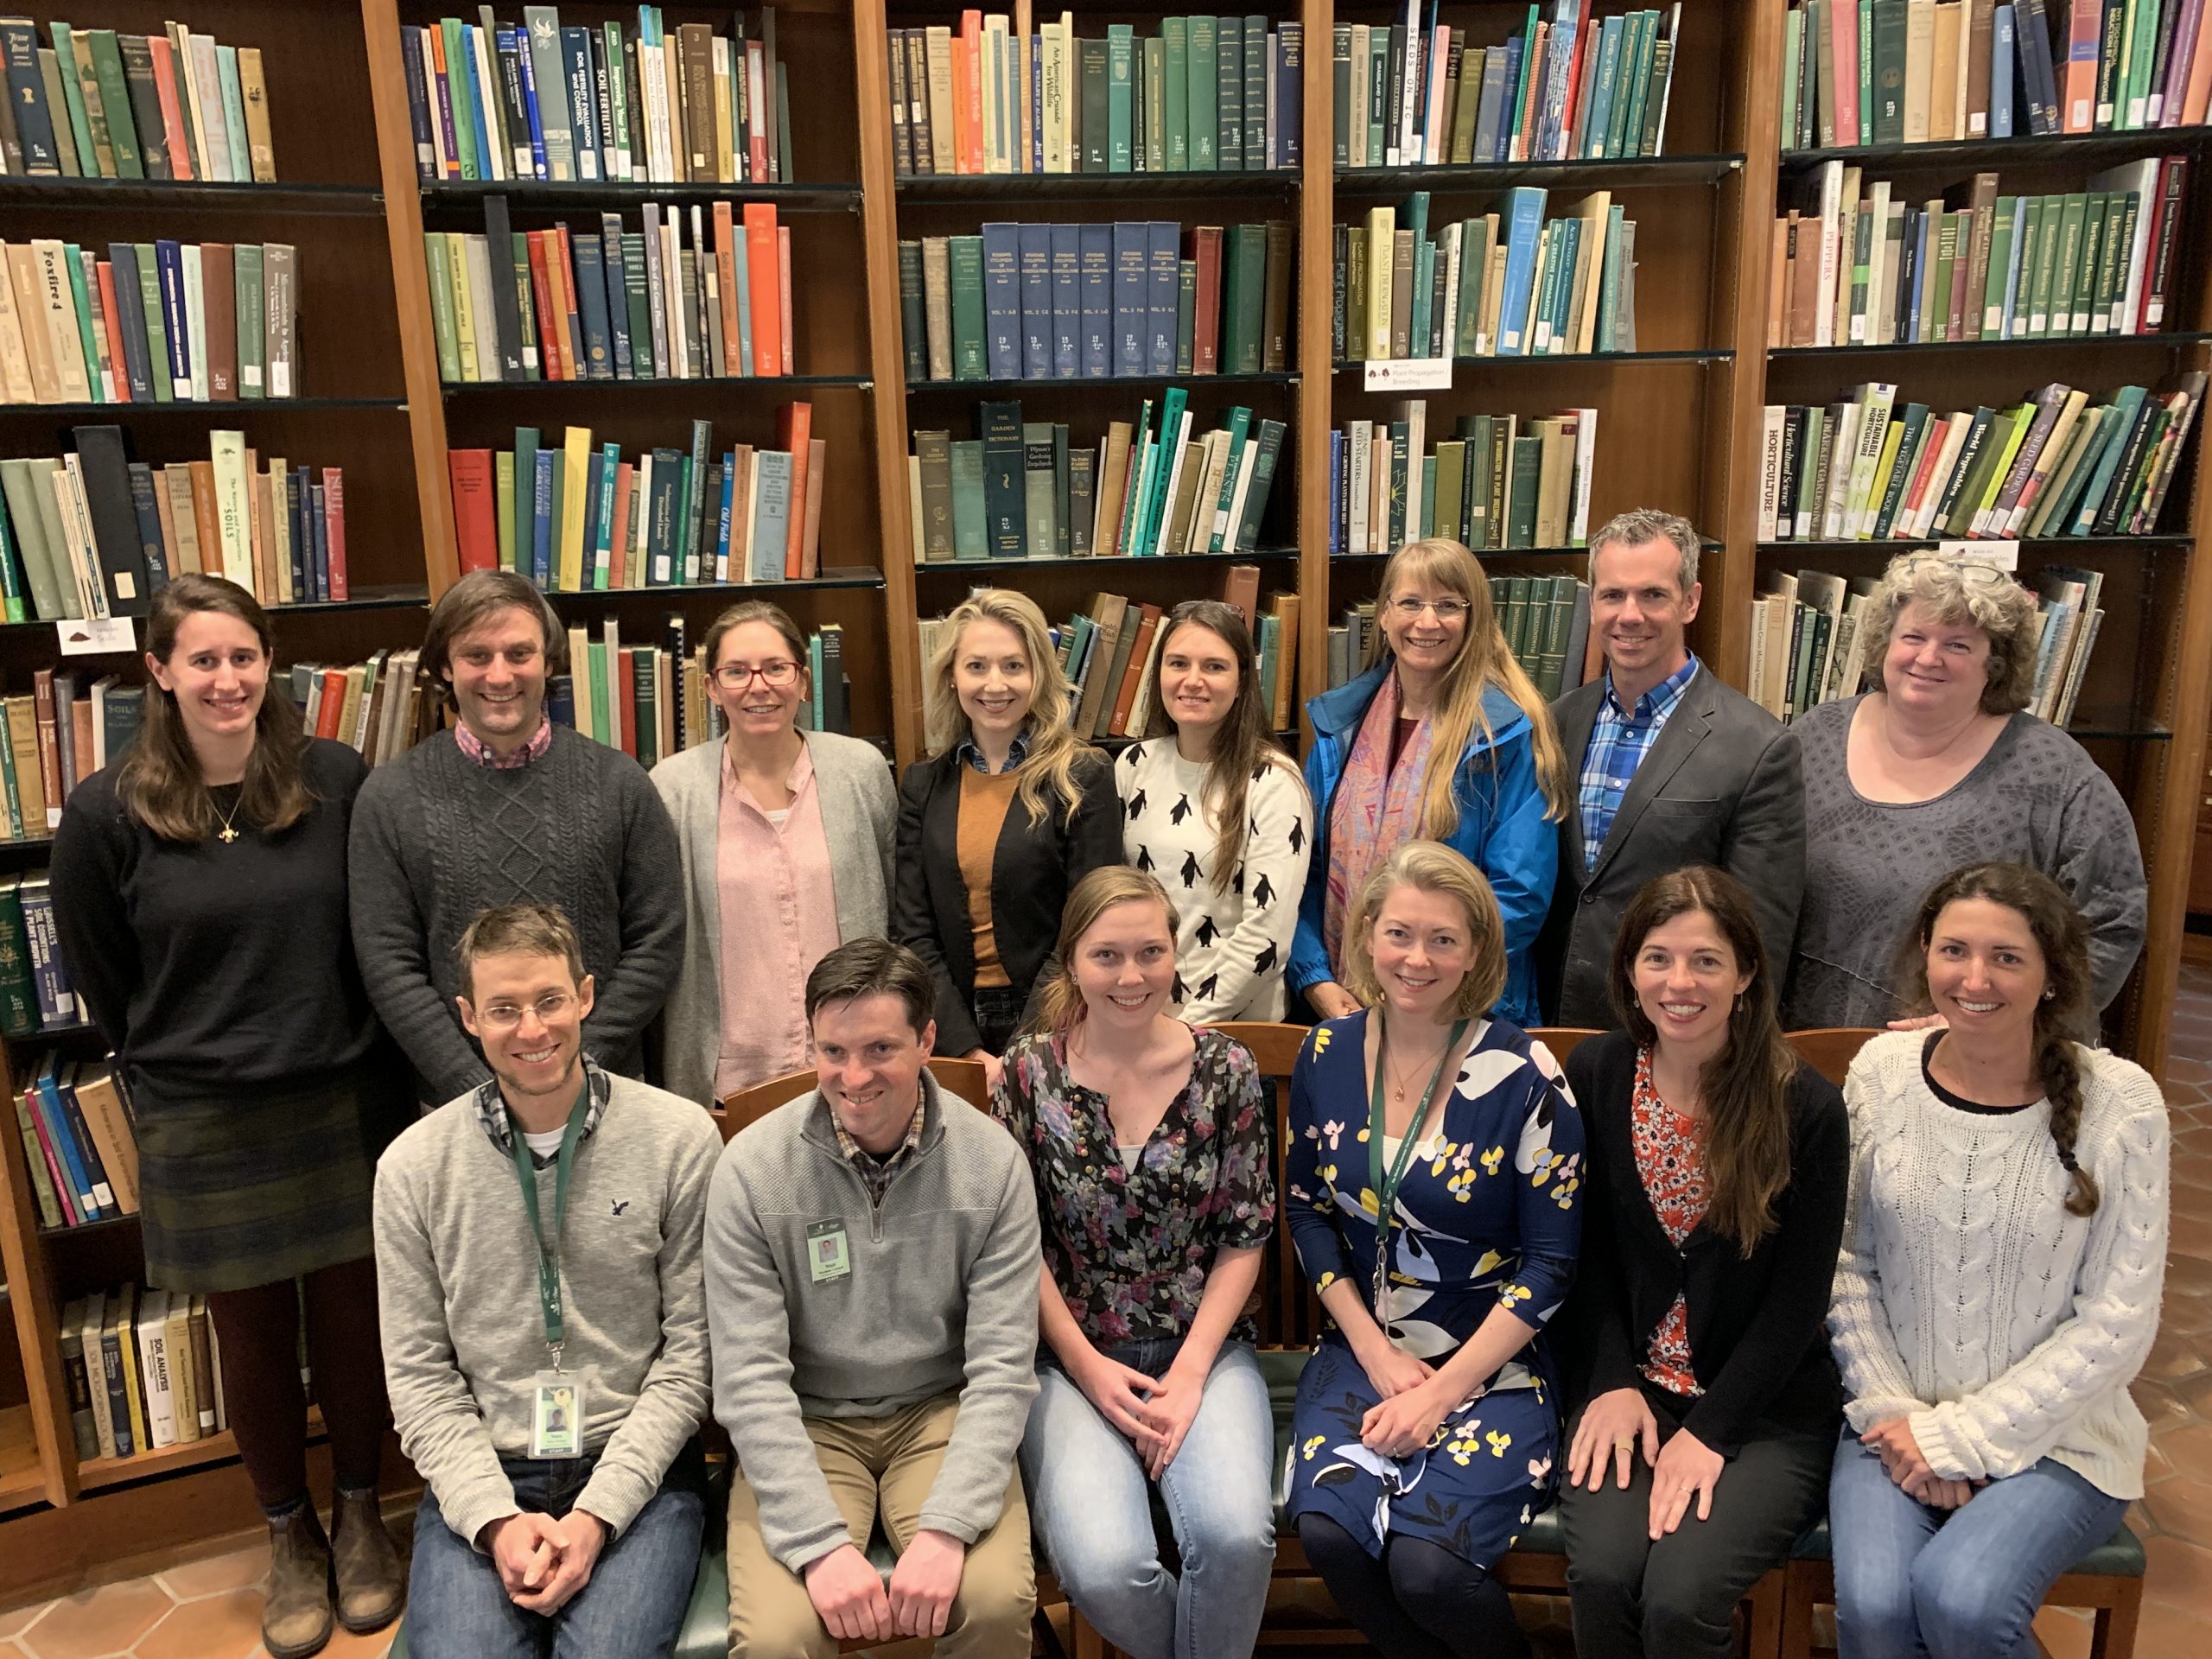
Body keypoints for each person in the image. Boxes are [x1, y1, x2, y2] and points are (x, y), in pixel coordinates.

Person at [50, 574, 408, 1659]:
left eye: (243, 656)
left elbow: (374, 936)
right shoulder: (105, 812)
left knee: (355, 1324)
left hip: (340, 1096)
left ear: (271, 665)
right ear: (158, 671)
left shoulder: (336, 778)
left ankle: (358, 1515)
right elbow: (107, 981)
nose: (226, 679)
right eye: (201, 659)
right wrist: (177, 1069)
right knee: (249, 1337)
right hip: (202, 1115)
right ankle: (288, 1535)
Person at [1827, 862, 2168, 1659]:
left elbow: (2118, 1322)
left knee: (1964, 1600)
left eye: (2007, 958)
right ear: (1924, 955)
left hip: (2061, 1437)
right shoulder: (1879, 1076)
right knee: (1874, 1609)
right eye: (1954, 951)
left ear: (2053, 975)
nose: (1975, 979)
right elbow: (1845, 1264)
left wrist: (1961, 1439)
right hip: (1891, 1416)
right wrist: (1894, 1416)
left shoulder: (2124, 1104)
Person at [374, 903, 720, 1659]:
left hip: (637, 1471)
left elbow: (693, 1356)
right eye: (503, 1009)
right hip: (488, 1469)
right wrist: (495, 1521)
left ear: (587, 996)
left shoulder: (680, 1138)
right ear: (468, 1017)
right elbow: (420, 1378)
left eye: (549, 1001)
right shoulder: (410, 1169)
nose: (531, 1030)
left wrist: (597, 1515)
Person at [1283, 840, 1584, 1659]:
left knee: (1427, 1570)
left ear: (1479, 951)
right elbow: (1306, 1210)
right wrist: (1374, 1354)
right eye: (1399, 933)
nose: (1417, 958)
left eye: (1444, 939)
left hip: (1492, 1360)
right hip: (1364, 1346)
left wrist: (1441, 1391)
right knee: (1333, 1535)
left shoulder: (1526, 1074)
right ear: (1368, 937)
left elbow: (1552, 1265)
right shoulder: (1327, 1051)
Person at [705, 937, 1042, 1659]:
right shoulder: (750, 1173)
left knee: (989, 1602)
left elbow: (1003, 1369)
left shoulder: (993, 1166)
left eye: (880, 1049)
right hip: (807, 1421)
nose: (853, 1077)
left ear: (926, 1040)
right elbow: (748, 1381)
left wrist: (948, 1529)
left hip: (942, 1412)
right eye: (832, 1052)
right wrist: (819, 1549)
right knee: (776, 1638)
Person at [1557, 867, 1847, 1659]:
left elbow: (1797, 1304)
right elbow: (1584, 1261)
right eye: (1657, 958)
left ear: (1747, 973)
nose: (1679, 982)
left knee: (1681, 1603)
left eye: (1706, 961)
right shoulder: (1597, 1075)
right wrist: (1612, 1379)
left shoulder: (1806, 1109)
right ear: (1628, 970)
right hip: (1629, 1389)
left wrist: (1712, 1431)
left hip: (1763, 1411)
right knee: (1606, 1577)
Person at [992, 867, 1278, 1658]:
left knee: (1235, 1539)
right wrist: (1086, 1368)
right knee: (1110, 1567)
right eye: (1107, 955)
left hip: (1204, 1348)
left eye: (1150, 952)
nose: (1131, 976)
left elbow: (1244, 1235)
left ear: (1175, 955)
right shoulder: (1027, 1074)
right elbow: (1015, 1249)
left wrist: (1189, 1375)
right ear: (1072, 962)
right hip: (1069, 1357)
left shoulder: (1226, 1070)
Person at [351, 569, 684, 1105]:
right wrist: (475, 1085)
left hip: (606, 1089)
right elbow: (389, 965)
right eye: (477, 656)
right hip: (457, 1102)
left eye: (519, 653)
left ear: (548, 662)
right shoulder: (388, 799)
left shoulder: (621, 784)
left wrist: (572, 1066)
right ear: (444, 666)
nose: (500, 675)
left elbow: (657, 940)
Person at [1783, 553, 2145, 1030]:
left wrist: (2000, 1024)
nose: (1928, 658)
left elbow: (2114, 921)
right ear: (1885, 643)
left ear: (1994, 664)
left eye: (1957, 645)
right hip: (1803, 1044)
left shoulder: (2054, 774)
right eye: (1913, 636)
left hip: (1974, 1060)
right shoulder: (1815, 737)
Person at [1537, 510, 1803, 1027]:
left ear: (1691, 601)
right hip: (1556, 1017)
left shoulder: (1759, 748)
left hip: (1677, 1030)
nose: (1629, 615)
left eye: (1652, 595)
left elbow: (1760, 937)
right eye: (1612, 595)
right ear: (1592, 604)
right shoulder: (1557, 721)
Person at [1291, 539, 1569, 1029]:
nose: (1427, 622)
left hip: (1462, 1011)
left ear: (1474, 619)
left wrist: (1419, 982)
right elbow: (1303, 874)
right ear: (1383, 615)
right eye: (1411, 602)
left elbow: (1518, 895)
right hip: (1343, 1003)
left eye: (1448, 606)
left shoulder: (1507, 736)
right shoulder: (1340, 729)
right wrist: (1314, 978)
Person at [652, 600, 896, 1104]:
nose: (758, 686)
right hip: (732, 1074)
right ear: (711, 687)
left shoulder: (861, 771)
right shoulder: (672, 790)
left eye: (776, 668)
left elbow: (895, 903)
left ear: (803, 681)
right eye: (737, 672)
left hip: (856, 1064)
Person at [895, 588, 1120, 1074]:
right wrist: (967, 1050)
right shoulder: (923, 785)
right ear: (952, 677)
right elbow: (912, 931)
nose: (995, 684)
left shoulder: (1084, 776)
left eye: (1013, 666)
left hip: (1063, 1017)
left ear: (1039, 675)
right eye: (977, 666)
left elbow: (1091, 925)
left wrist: (1026, 1046)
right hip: (949, 1027)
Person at [1116, 599, 1312, 1022]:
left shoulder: (1274, 781)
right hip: (1138, 1019)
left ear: (1242, 682)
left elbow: (1268, 935)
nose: (1193, 681)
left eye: (1215, 667)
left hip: (1232, 1034)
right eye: (1178, 663)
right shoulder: (1133, 765)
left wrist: (1186, 1028)